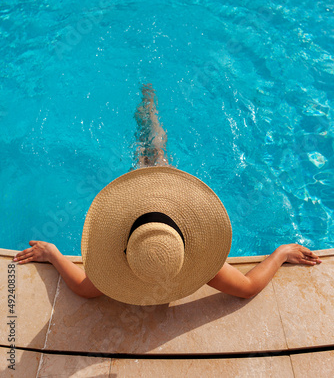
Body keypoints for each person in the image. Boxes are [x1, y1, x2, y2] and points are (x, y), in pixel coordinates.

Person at [13, 84, 321, 303]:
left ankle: (148, 111)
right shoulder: (189, 265)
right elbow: (249, 287)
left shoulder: (124, 273)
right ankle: (150, 111)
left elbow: (81, 287)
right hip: (153, 221)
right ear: (185, 247)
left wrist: (52, 254)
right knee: (153, 155)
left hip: (152, 221)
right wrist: (281, 253)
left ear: (124, 252)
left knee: (149, 156)